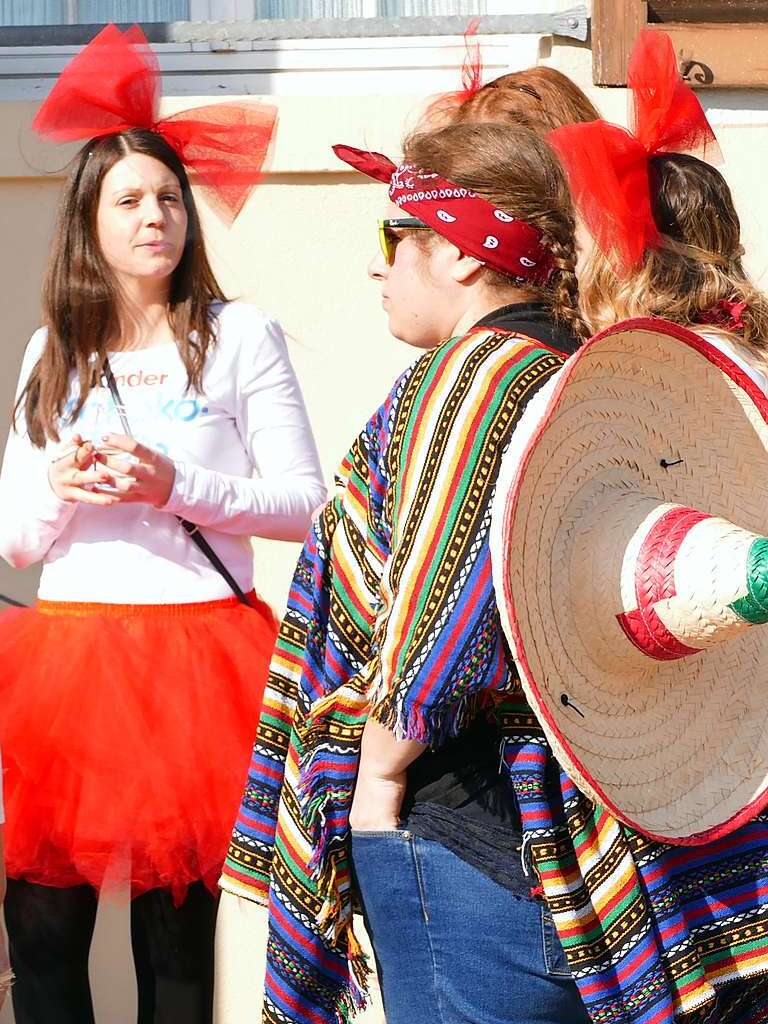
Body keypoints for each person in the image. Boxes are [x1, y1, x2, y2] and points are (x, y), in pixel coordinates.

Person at [220, 119, 593, 1024]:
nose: (377, 266)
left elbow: (445, 608)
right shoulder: (566, 363)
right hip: (541, 827)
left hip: (458, 822)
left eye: (394, 237)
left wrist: (377, 786)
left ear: (463, 256)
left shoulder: (475, 376)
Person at [0, 25, 325, 1024]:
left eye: (169, 198)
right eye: (130, 201)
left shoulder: (239, 335)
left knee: (175, 947)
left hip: (197, 662)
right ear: (88, 224)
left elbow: (305, 506)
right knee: (41, 933)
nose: (155, 218)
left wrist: (168, 480)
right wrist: (65, 482)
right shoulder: (56, 345)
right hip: (69, 663)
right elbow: (17, 540)